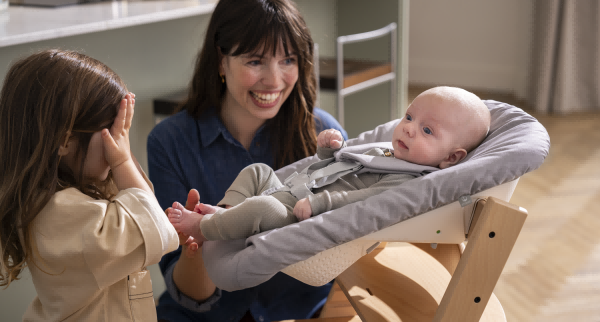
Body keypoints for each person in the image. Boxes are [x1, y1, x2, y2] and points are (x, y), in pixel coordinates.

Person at [146, 0, 347, 322]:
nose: (274, 79)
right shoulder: (169, 142)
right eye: (255, 61)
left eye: (288, 60)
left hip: (303, 310)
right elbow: (187, 293)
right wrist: (197, 248)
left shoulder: (322, 135)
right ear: (221, 61)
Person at [0, 50, 179, 322]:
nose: (119, 144)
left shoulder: (56, 202)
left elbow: (143, 209)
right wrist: (122, 160)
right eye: (113, 131)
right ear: (65, 141)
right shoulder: (62, 213)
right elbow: (156, 228)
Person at [167, 86, 491, 242]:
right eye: (409, 117)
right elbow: (336, 168)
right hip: (290, 188)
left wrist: (320, 203)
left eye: (427, 130)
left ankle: (204, 229)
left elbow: (364, 199)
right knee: (258, 171)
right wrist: (328, 151)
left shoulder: (410, 180)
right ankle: (226, 212)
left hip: (296, 214)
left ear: (451, 157)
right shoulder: (386, 151)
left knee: (262, 209)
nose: (408, 128)